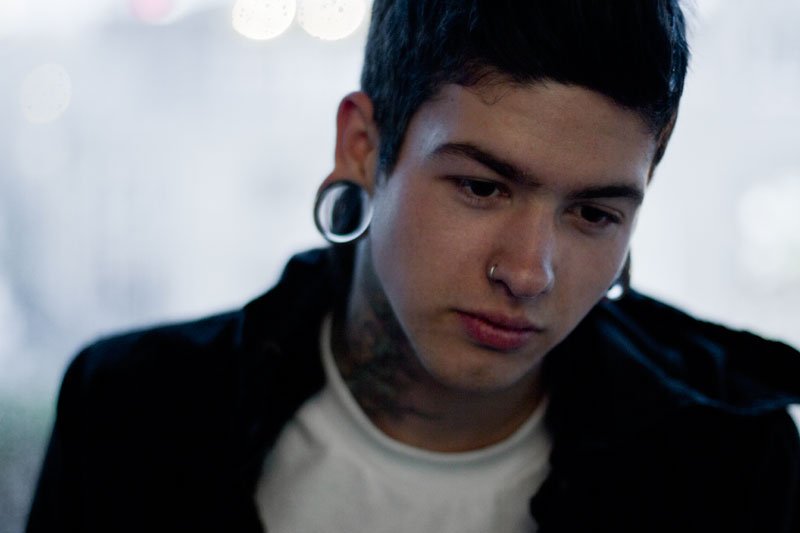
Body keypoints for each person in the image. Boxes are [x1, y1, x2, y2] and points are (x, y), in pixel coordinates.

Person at [27, 1, 800, 532]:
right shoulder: (134, 418)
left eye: (594, 213)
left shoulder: (729, 472)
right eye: (482, 187)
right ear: (363, 147)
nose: (529, 271)